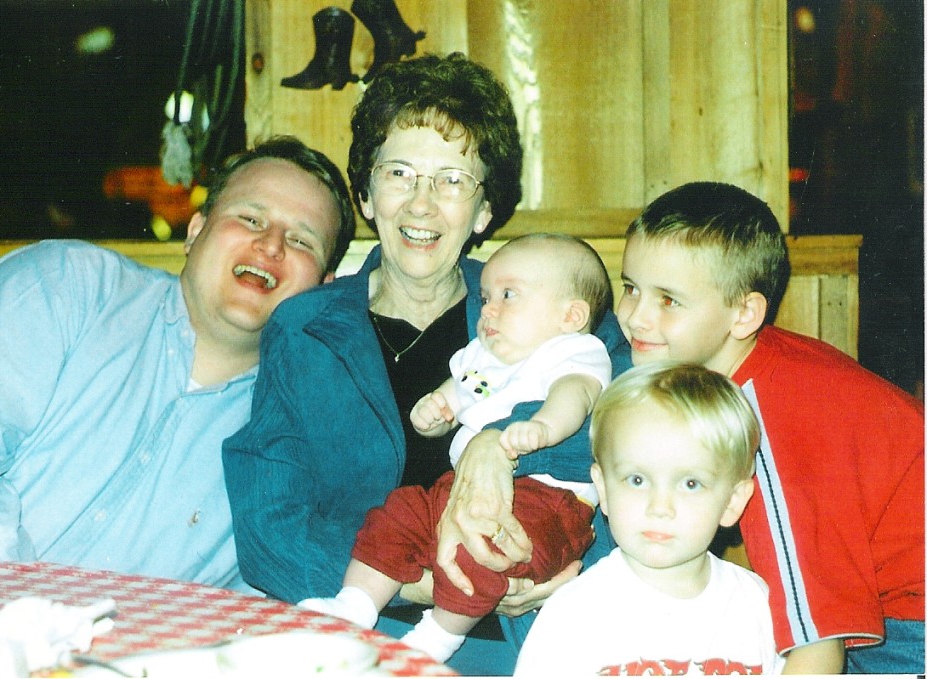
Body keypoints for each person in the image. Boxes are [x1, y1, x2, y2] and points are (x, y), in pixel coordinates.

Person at [221, 53, 631, 675]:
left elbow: (649, 465)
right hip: (361, 632)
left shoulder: (559, 315)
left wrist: (579, 572)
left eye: (451, 180)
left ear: (484, 212)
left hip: (531, 637)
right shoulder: (305, 330)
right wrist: (414, 579)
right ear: (365, 192)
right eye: (400, 173)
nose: (421, 203)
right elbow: (268, 527)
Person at [0, 136, 355, 592]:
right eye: (250, 217)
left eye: (302, 239)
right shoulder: (66, 287)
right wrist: (28, 619)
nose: (271, 244)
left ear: (323, 287)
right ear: (195, 231)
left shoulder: (295, 443)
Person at [616, 181, 924, 674]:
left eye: (669, 300)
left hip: (911, 626)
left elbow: (819, 638)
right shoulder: (756, 363)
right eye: (630, 288)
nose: (635, 317)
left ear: (744, 314)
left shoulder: (768, 420)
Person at [297, 233, 613, 662]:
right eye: (485, 297)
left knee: (486, 551)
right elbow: (458, 394)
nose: (489, 308)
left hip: (547, 500)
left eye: (509, 295)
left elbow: (575, 396)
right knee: (400, 513)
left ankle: (442, 634)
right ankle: (355, 604)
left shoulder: (574, 351)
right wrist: (436, 412)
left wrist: (542, 427)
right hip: (458, 487)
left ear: (570, 315)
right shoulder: (481, 356)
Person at [515, 362, 783, 676]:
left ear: (731, 502)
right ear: (603, 487)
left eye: (690, 484)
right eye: (637, 480)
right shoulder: (575, 613)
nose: (659, 507)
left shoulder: (757, 605)